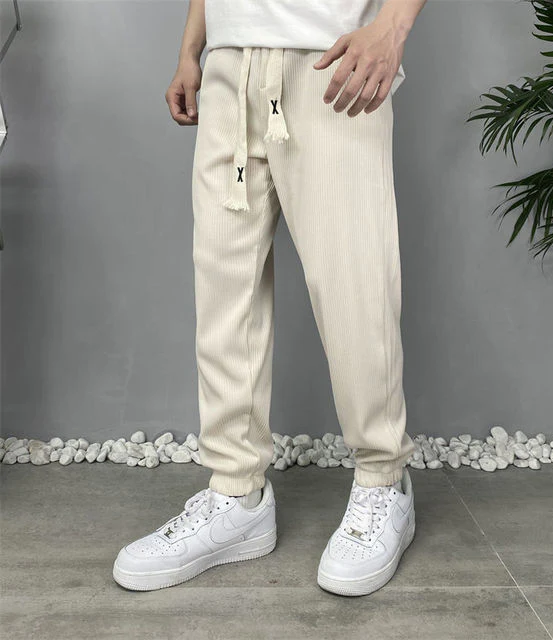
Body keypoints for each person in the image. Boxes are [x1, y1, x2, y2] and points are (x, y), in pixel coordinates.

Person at [113, 0, 428, 596]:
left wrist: (391, 28)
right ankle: (237, 496)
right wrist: (191, 49)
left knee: (353, 287)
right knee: (223, 288)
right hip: (230, 66)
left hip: (331, 64)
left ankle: (383, 481)